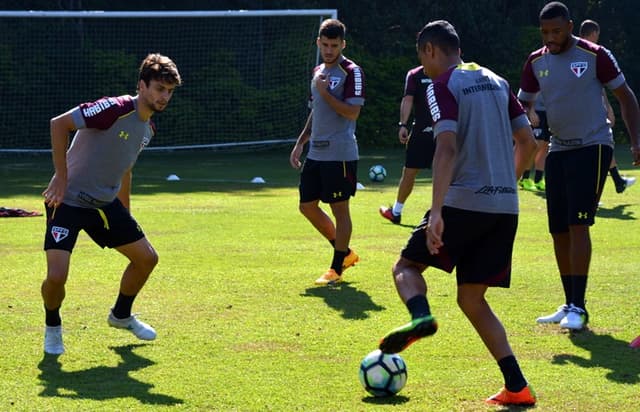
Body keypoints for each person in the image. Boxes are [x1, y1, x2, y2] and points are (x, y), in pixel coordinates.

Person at [378, 20, 538, 406]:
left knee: (405, 268)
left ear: (430, 51)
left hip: (463, 203)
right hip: (504, 208)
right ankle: (517, 386)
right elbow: (529, 143)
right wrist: (506, 185)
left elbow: (445, 148)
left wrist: (436, 212)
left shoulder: (442, 84)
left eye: (422, 57)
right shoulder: (498, 82)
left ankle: (420, 316)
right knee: (471, 298)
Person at [41, 53, 182, 355]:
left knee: (147, 258)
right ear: (142, 85)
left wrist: (126, 213)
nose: (164, 96)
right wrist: (61, 179)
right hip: (67, 201)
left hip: (105, 205)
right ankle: (53, 326)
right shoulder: (114, 109)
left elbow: (124, 167)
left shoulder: (148, 129)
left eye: (169, 91)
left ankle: (121, 315)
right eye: (159, 88)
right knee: (56, 277)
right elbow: (58, 124)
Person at [518, 2, 640, 330]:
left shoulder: (595, 55)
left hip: (593, 147)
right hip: (558, 148)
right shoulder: (536, 61)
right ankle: (569, 302)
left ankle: (580, 307)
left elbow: (625, 97)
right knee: (557, 229)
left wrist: (636, 140)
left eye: (556, 31)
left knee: (578, 225)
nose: (550, 37)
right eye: (545, 32)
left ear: (570, 26)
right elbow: (522, 103)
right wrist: (523, 122)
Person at [289, 19, 365, 285]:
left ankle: (336, 268)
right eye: (325, 45)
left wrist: (326, 92)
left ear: (343, 44)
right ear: (318, 43)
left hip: (340, 154)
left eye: (335, 45)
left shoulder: (352, 72)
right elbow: (316, 111)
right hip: (316, 154)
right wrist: (301, 142)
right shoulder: (318, 70)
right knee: (306, 206)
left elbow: (352, 112)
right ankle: (344, 251)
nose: (330, 50)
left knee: (339, 210)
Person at [579, 18, 636, 194]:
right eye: (597, 34)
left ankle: (617, 181)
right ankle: (591, 190)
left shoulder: (574, 52)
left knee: (603, 145)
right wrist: (608, 108)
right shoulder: (593, 54)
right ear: (593, 33)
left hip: (582, 113)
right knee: (592, 149)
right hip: (586, 114)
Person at [379, 66, 435, 224]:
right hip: (432, 131)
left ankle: (397, 212)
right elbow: (408, 98)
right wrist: (403, 124)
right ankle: (396, 212)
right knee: (411, 171)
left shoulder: (450, 71)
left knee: (442, 172)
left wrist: (403, 125)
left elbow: (408, 99)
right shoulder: (415, 74)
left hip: (436, 130)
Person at [519, 95, 550, 192]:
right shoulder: (536, 79)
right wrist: (531, 112)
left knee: (546, 145)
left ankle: (538, 179)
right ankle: (525, 178)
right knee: (536, 145)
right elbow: (526, 96)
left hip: (549, 112)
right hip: (537, 112)